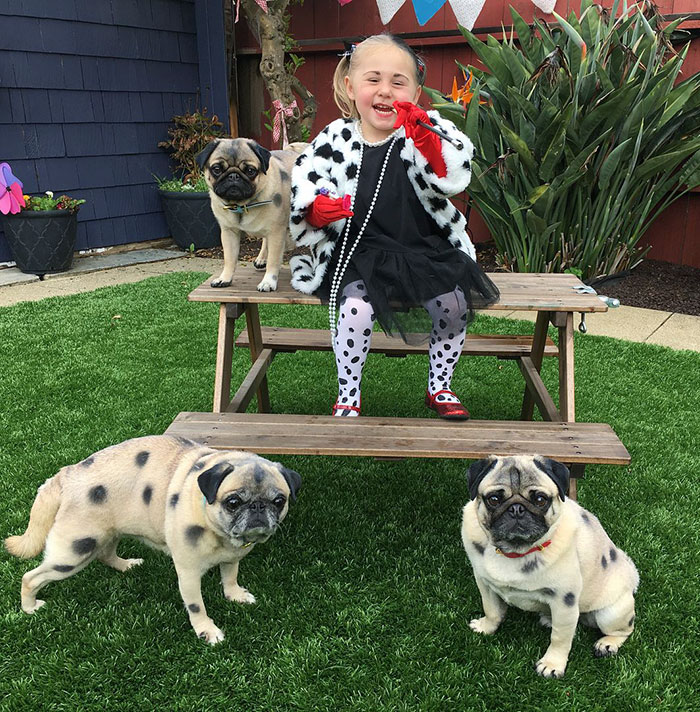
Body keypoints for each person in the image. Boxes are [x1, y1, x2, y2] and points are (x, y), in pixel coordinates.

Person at [288, 33, 499, 419]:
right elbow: (305, 184)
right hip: (358, 252)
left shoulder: (423, 129)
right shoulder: (335, 138)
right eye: (373, 80)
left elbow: (450, 171)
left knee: (453, 306)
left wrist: (425, 136)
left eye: (398, 82)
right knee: (355, 311)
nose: (385, 91)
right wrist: (320, 209)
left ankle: (440, 385)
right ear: (351, 88)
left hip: (422, 248)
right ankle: (348, 392)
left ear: (415, 94)